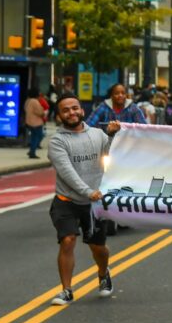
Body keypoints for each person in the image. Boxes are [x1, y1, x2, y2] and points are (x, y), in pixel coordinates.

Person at [47, 93, 121, 306]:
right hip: (66, 200)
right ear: (59, 115)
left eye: (74, 108)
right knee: (68, 240)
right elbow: (67, 172)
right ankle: (66, 290)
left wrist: (112, 136)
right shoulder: (58, 141)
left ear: (82, 110)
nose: (71, 113)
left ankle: (103, 271)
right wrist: (88, 191)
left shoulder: (97, 134)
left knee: (98, 248)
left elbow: (108, 155)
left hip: (94, 204)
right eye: (65, 110)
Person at [24, 87, 47, 159]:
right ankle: (32, 152)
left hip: (29, 121)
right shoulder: (35, 101)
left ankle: (32, 150)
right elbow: (40, 112)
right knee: (39, 136)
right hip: (36, 122)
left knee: (34, 136)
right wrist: (44, 113)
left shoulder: (27, 101)